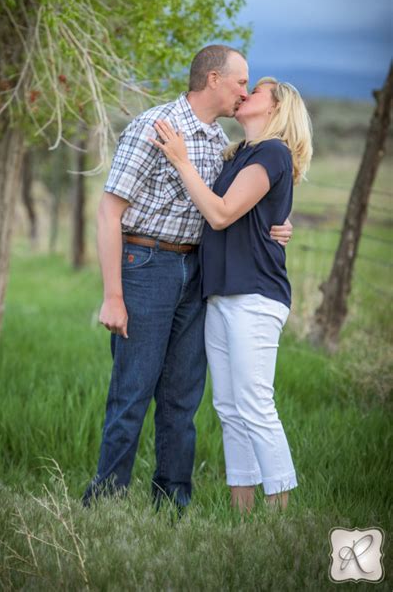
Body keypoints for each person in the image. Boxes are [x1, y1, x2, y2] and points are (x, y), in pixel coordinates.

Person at [82, 47, 293, 510]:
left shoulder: (222, 144)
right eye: (242, 83)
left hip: (196, 273)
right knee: (132, 391)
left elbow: (234, 207)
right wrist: (113, 295)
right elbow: (108, 212)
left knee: (182, 398)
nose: (244, 92)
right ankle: (105, 501)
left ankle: (173, 501)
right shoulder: (153, 127)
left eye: (251, 87)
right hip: (146, 267)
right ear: (214, 79)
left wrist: (280, 223)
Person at [150, 76, 313, 513]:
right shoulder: (238, 154)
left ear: (276, 109)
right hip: (221, 294)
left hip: (255, 295)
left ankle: (281, 514)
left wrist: (182, 162)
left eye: (255, 92)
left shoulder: (272, 152)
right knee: (228, 406)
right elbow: (254, 215)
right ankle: (242, 513)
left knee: (255, 402)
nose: (245, 95)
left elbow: (221, 214)